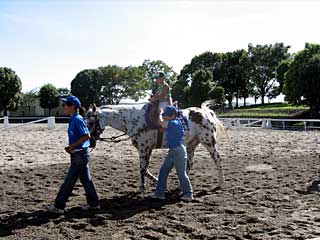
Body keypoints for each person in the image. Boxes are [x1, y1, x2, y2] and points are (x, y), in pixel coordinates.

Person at [47, 96, 100, 214]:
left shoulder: (77, 119)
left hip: (79, 155)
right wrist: (72, 147)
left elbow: (86, 136)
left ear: (73, 107)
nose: (64, 106)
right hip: (78, 154)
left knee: (69, 181)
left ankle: (59, 206)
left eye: (66, 105)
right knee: (86, 180)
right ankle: (94, 204)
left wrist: (72, 147)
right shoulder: (73, 119)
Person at [151, 106, 193, 201]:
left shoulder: (173, 123)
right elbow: (166, 129)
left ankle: (188, 193)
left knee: (181, 173)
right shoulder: (176, 122)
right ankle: (159, 193)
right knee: (163, 171)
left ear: (173, 115)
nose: (165, 117)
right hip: (174, 151)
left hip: (178, 151)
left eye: (167, 115)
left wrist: (160, 113)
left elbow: (161, 123)